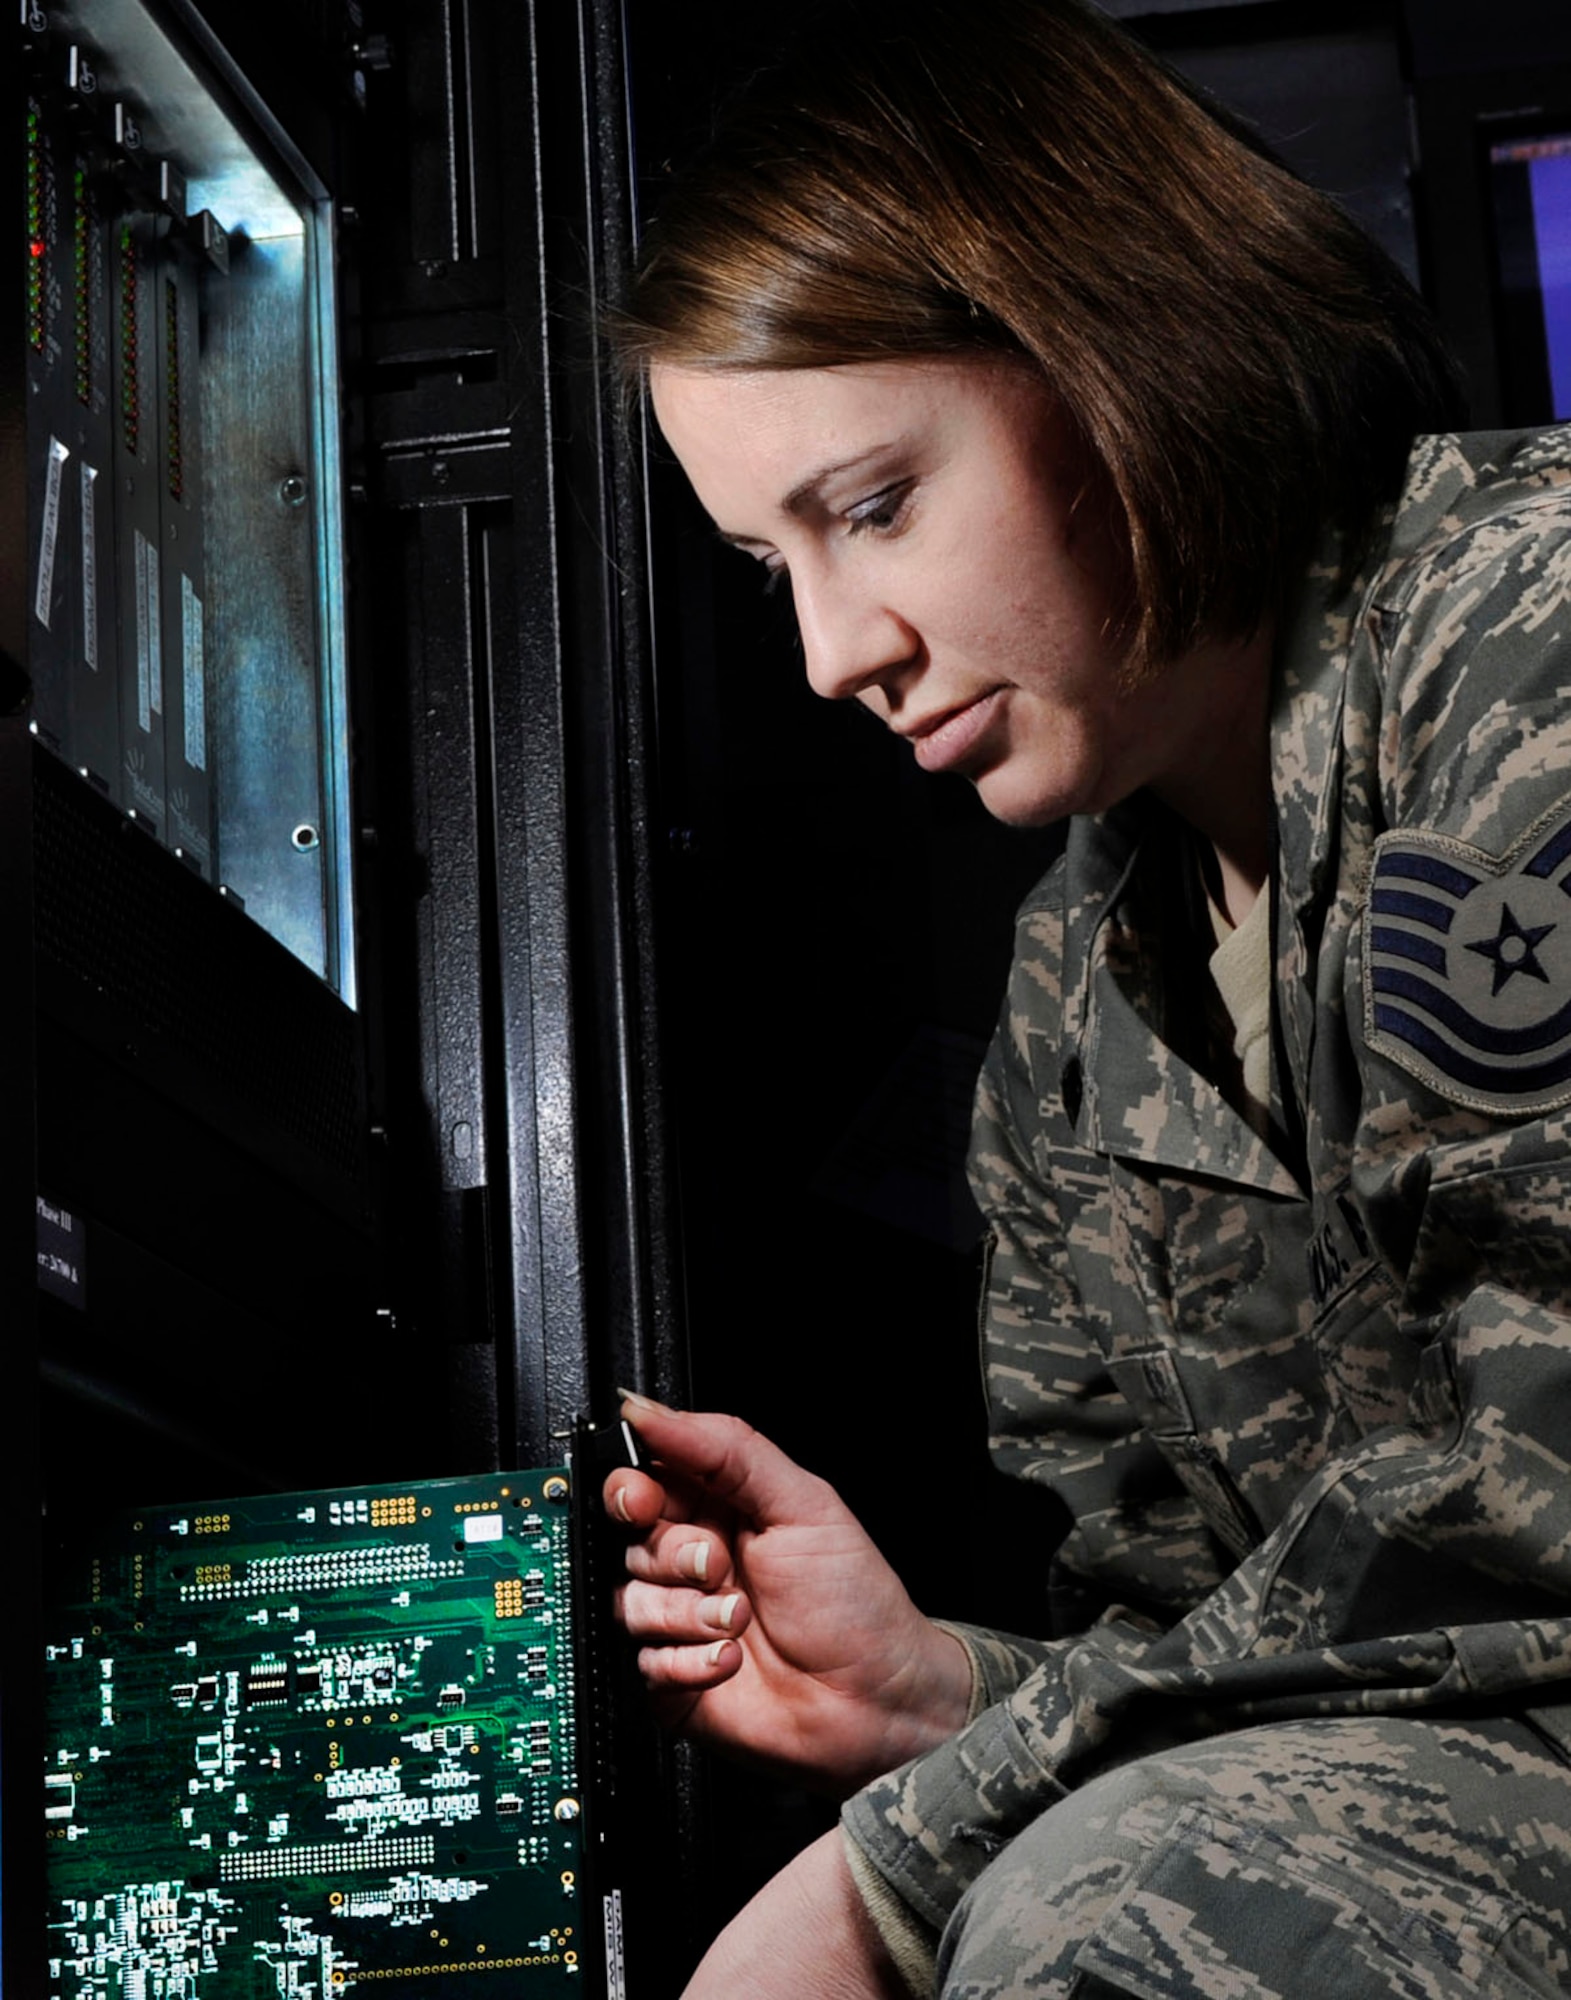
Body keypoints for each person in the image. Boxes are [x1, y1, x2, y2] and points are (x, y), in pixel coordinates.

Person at [602, 2, 1571, 1994]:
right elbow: (1257, 1684)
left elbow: (1537, 1487)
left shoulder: (1526, 638)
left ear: (1123, 346)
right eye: (761, 560)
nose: (828, 652)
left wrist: (900, 1861)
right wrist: (940, 1695)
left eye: (869, 506)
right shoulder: (1067, 1005)